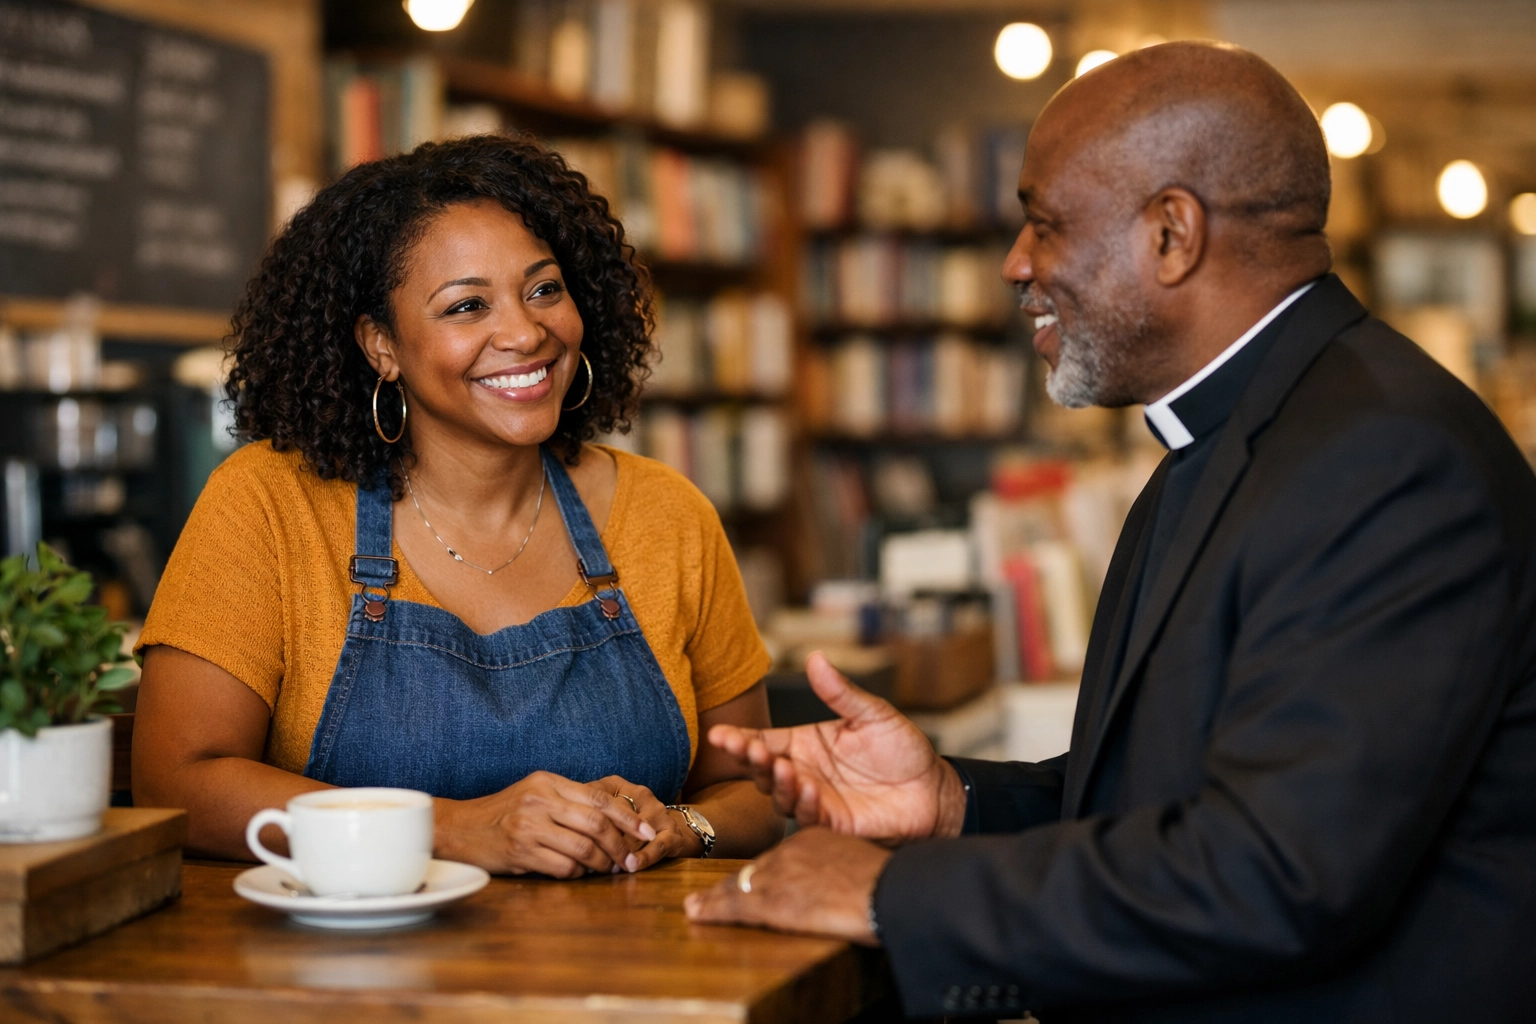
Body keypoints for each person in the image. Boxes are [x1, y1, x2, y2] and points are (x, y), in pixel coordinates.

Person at [685, 42, 1536, 1023]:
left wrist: (888, 894)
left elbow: (1275, 871)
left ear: (1172, 234)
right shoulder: (1240, 434)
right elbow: (1169, 800)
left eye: (1044, 224)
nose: (1016, 264)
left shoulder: (1384, 459)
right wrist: (955, 801)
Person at [133, 134, 782, 878]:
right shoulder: (268, 505)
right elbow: (176, 783)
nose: (526, 332)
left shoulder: (669, 514)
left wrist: (684, 826)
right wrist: (450, 829)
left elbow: (754, 796)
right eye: (467, 306)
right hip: (355, 949)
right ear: (382, 345)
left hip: (630, 952)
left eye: (544, 289)